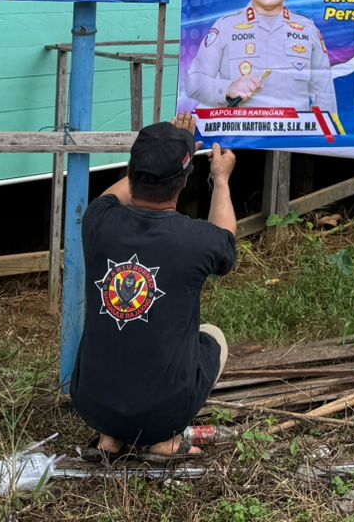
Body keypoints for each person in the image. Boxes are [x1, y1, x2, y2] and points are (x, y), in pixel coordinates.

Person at [70, 117, 237, 456]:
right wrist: (220, 179)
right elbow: (226, 242)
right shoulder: (197, 240)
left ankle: (110, 438)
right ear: (185, 181)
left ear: (131, 172)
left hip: (91, 403)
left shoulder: (97, 222)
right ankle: (163, 442)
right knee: (213, 337)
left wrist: (160, 152)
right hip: (163, 412)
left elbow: (114, 195)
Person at [185, 0, 337, 111]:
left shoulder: (307, 29)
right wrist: (227, 88)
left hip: (294, 133)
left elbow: (324, 94)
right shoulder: (225, 27)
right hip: (240, 133)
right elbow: (194, 83)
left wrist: (324, 136)